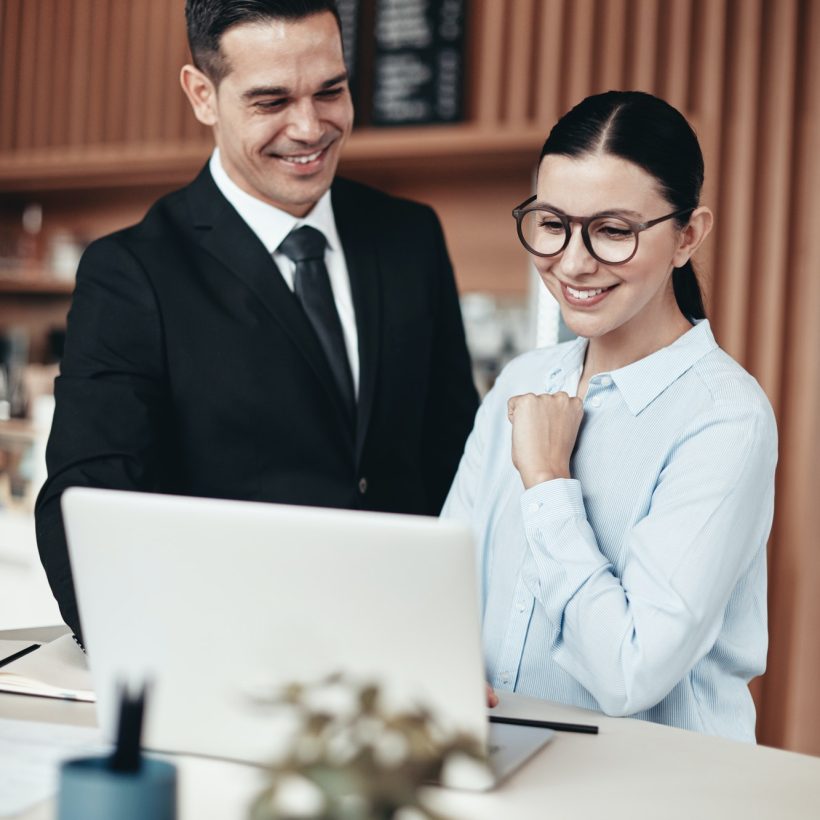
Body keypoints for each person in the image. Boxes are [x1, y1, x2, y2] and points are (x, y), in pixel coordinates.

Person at [35, 0, 478, 645]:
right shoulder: (133, 271)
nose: (310, 128)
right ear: (202, 95)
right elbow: (87, 501)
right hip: (232, 655)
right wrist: (157, 660)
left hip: (410, 648)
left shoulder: (410, 236)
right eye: (271, 102)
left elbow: (457, 456)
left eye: (331, 90)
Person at [443, 91, 777, 741]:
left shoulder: (725, 420)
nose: (572, 261)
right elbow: (442, 582)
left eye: (613, 230)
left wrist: (547, 482)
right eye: (551, 223)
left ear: (688, 236)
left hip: (650, 793)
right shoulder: (521, 381)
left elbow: (629, 673)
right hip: (494, 768)